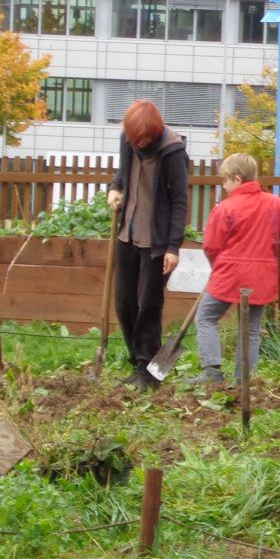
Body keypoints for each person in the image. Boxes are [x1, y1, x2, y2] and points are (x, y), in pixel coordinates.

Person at [191, 153, 280, 386]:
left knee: (206, 317)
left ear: (237, 179)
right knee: (251, 329)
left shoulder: (225, 209)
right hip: (262, 275)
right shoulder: (275, 204)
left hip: (229, 273)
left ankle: (212, 371)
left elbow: (211, 245)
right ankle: (243, 379)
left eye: (225, 181)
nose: (223, 186)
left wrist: (217, 267)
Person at [106, 100, 189, 387]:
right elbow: (122, 174)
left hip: (157, 241)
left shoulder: (173, 150)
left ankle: (149, 369)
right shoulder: (127, 140)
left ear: (155, 132)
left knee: (148, 305)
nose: (139, 143)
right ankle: (137, 361)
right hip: (127, 234)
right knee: (124, 303)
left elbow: (180, 201)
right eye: (135, 139)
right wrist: (115, 189)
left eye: (144, 139)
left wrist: (173, 247)